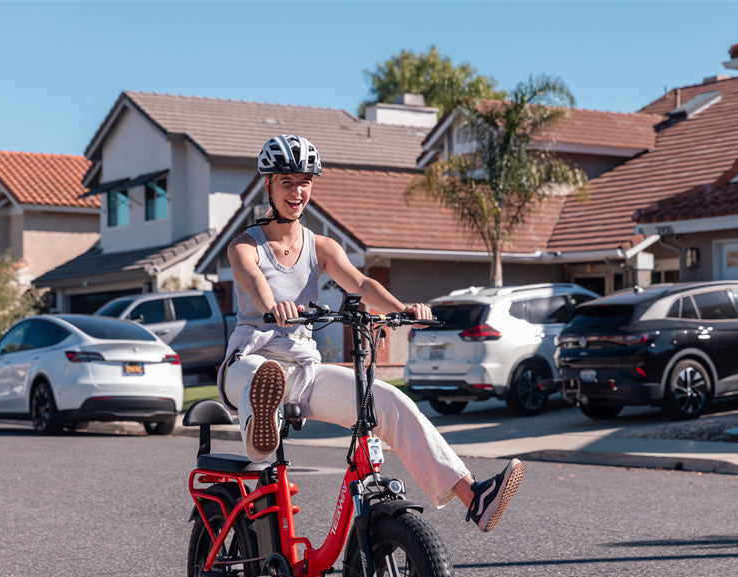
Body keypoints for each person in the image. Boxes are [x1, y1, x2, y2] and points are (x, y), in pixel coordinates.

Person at [218, 134, 523, 532]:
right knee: (262, 377)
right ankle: (262, 430)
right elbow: (252, 278)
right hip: (249, 360)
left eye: (305, 181)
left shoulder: (321, 246)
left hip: (303, 370)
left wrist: (402, 310)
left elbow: (360, 283)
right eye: (288, 182)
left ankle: (473, 496)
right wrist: (272, 306)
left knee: (388, 401)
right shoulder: (245, 245)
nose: (297, 191)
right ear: (269, 186)